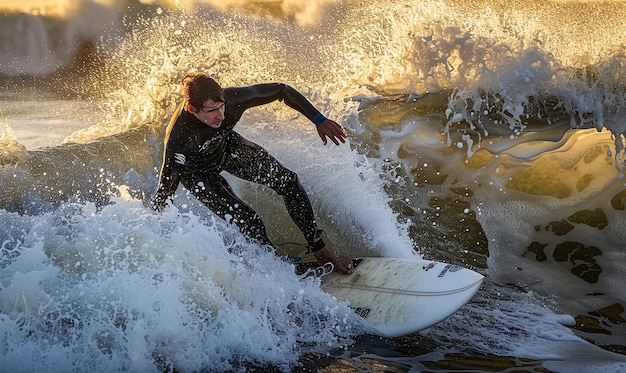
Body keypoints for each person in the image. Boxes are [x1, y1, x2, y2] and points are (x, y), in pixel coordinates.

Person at [151, 72, 354, 274]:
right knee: (249, 220)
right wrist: (151, 235)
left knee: (289, 182)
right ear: (191, 108)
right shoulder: (178, 140)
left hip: (226, 148)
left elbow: (281, 90)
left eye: (222, 106)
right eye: (212, 110)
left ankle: (321, 251)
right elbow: (164, 192)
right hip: (197, 174)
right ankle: (279, 269)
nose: (221, 115)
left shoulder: (232, 100)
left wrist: (318, 119)